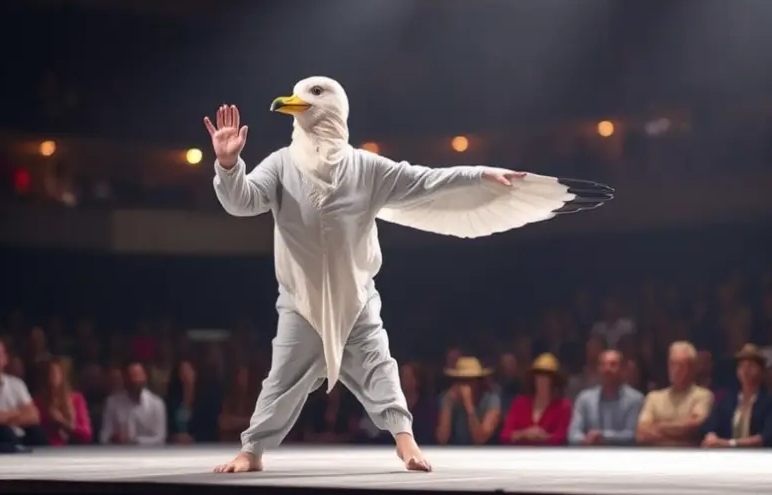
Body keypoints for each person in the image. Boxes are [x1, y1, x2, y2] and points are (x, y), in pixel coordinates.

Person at [205, 79, 611, 473]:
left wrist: (481, 175)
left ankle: (405, 441)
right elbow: (243, 201)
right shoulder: (281, 163)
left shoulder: (365, 167)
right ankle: (253, 450)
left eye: (311, 94)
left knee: (380, 369)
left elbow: (427, 181)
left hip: (357, 296)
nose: (295, 101)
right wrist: (228, 164)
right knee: (283, 377)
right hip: (301, 298)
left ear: (334, 107)